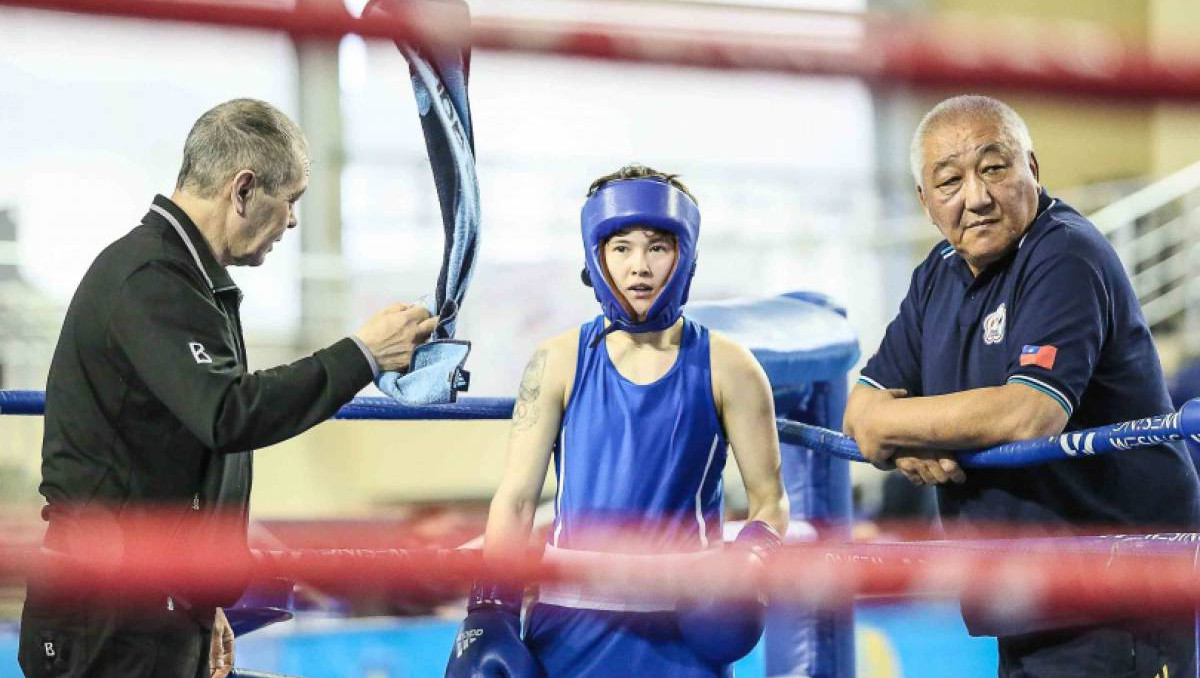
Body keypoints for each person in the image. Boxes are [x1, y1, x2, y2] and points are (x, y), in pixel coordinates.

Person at [18, 98, 437, 678]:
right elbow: (230, 413)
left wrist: (198, 598)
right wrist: (363, 355)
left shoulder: (186, 279)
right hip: (109, 613)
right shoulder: (151, 279)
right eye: (290, 200)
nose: (292, 221)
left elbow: (190, 449)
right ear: (243, 190)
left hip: (151, 602)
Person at [843, 95, 1200, 677]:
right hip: (1026, 598)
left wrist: (901, 428)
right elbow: (861, 411)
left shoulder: (1066, 255)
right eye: (950, 180)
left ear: (1032, 169)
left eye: (994, 167)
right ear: (925, 201)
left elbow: (1030, 412)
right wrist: (903, 431)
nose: (976, 197)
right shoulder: (937, 274)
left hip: (1120, 593)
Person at [443, 165, 788, 678]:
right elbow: (515, 500)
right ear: (596, 257)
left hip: (686, 624)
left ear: (685, 255)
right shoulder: (557, 359)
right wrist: (488, 607)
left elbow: (770, 499)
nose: (639, 267)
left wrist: (752, 562)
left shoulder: (731, 367)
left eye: (657, 247)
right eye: (621, 247)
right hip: (570, 619)